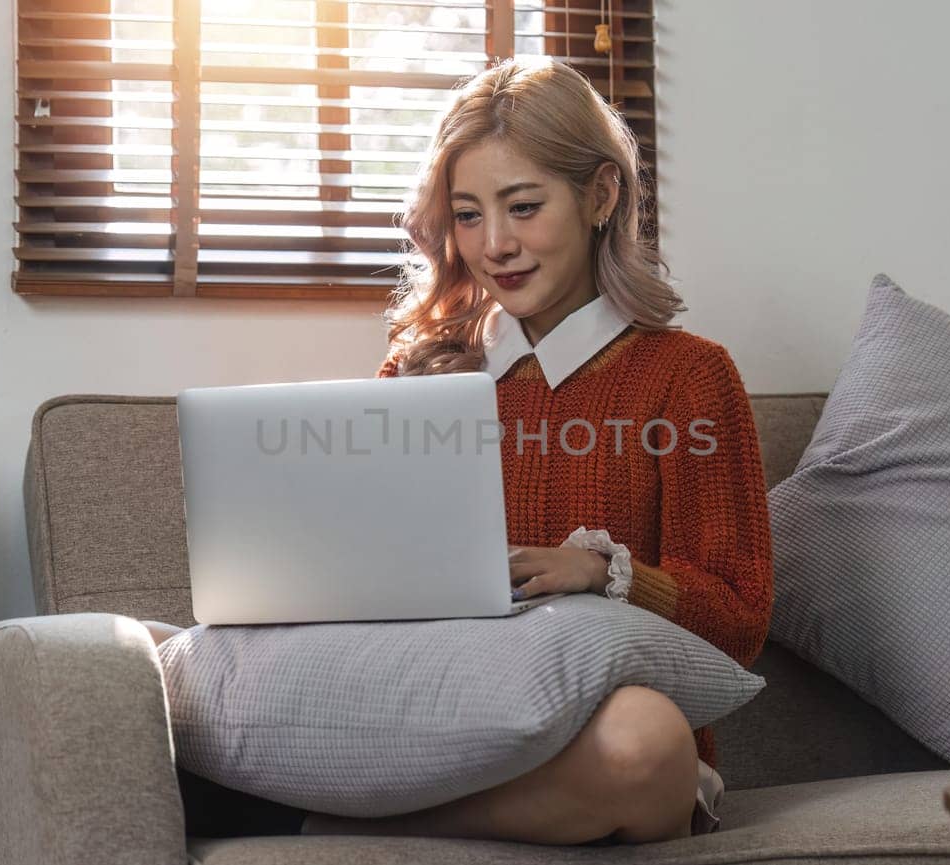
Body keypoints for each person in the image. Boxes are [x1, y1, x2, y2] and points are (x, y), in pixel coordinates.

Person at [154, 56, 773, 847]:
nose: (496, 245)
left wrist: (603, 572)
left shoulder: (689, 376)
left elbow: (740, 616)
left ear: (600, 195)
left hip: (599, 740)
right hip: (433, 725)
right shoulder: (419, 367)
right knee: (154, 665)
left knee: (647, 741)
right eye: (470, 215)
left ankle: (307, 823)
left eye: (523, 206)